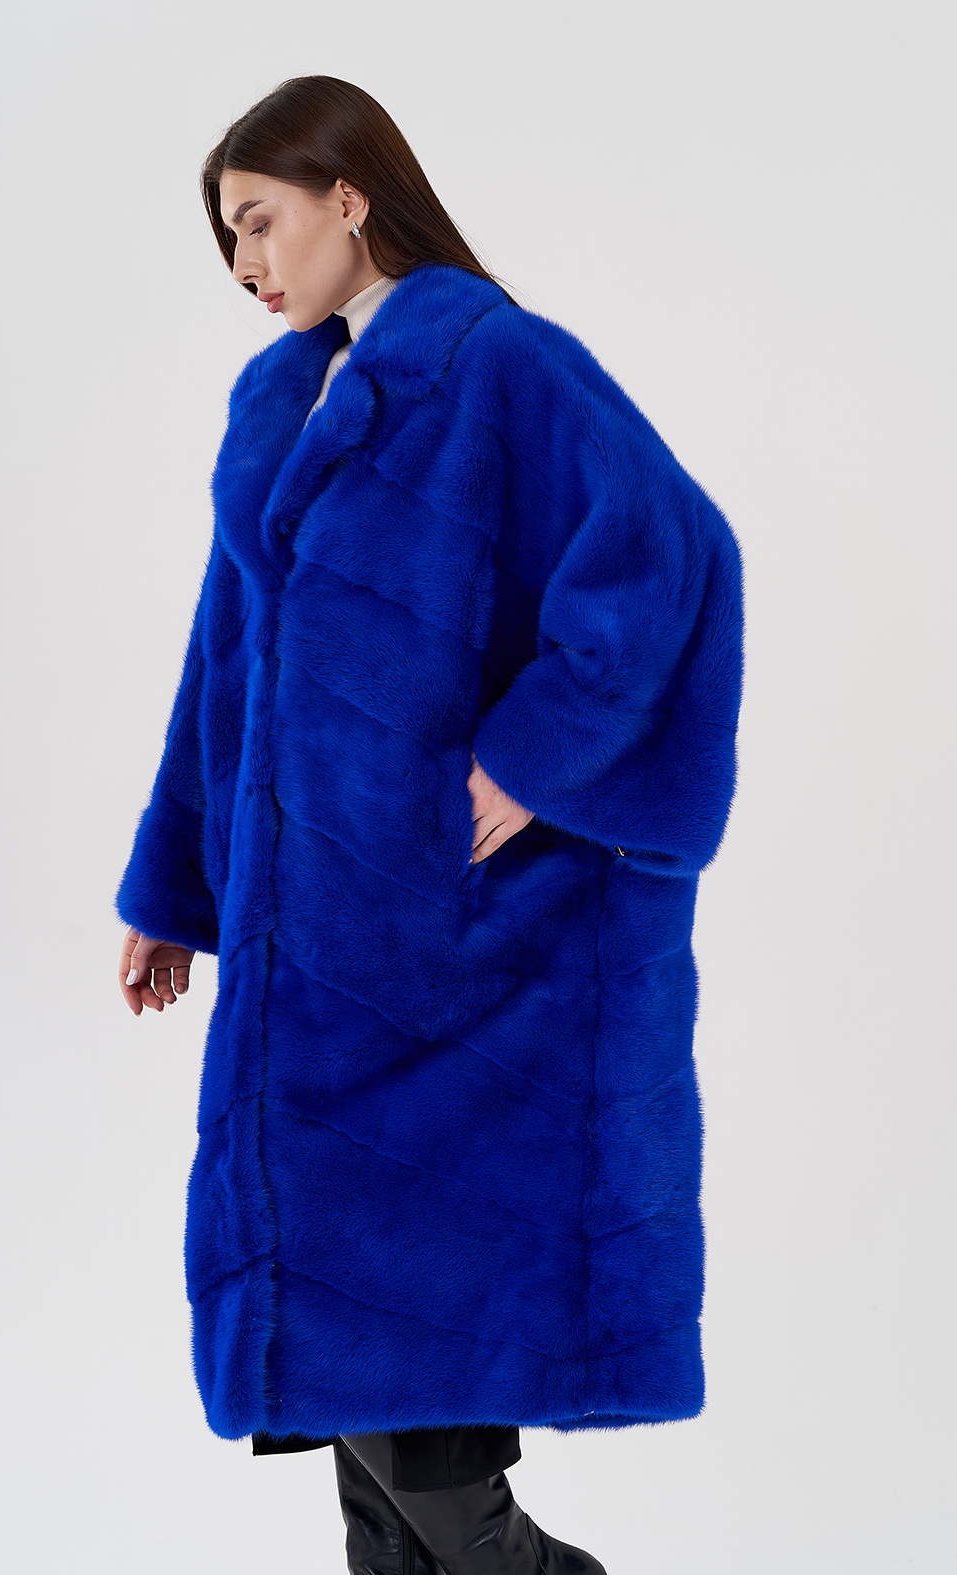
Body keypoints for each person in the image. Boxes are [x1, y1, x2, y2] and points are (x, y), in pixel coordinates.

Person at [115, 74, 744, 1574]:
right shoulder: (281, 403)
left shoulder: (498, 364)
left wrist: (533, 759)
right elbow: (225, 665)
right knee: (367, 1458)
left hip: (472, 979)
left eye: (258, 220)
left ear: (349, 196)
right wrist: (174, 888)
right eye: (226, 239)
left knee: (438, 1457)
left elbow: (672, 557)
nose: (245, 264)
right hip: (321, 979)